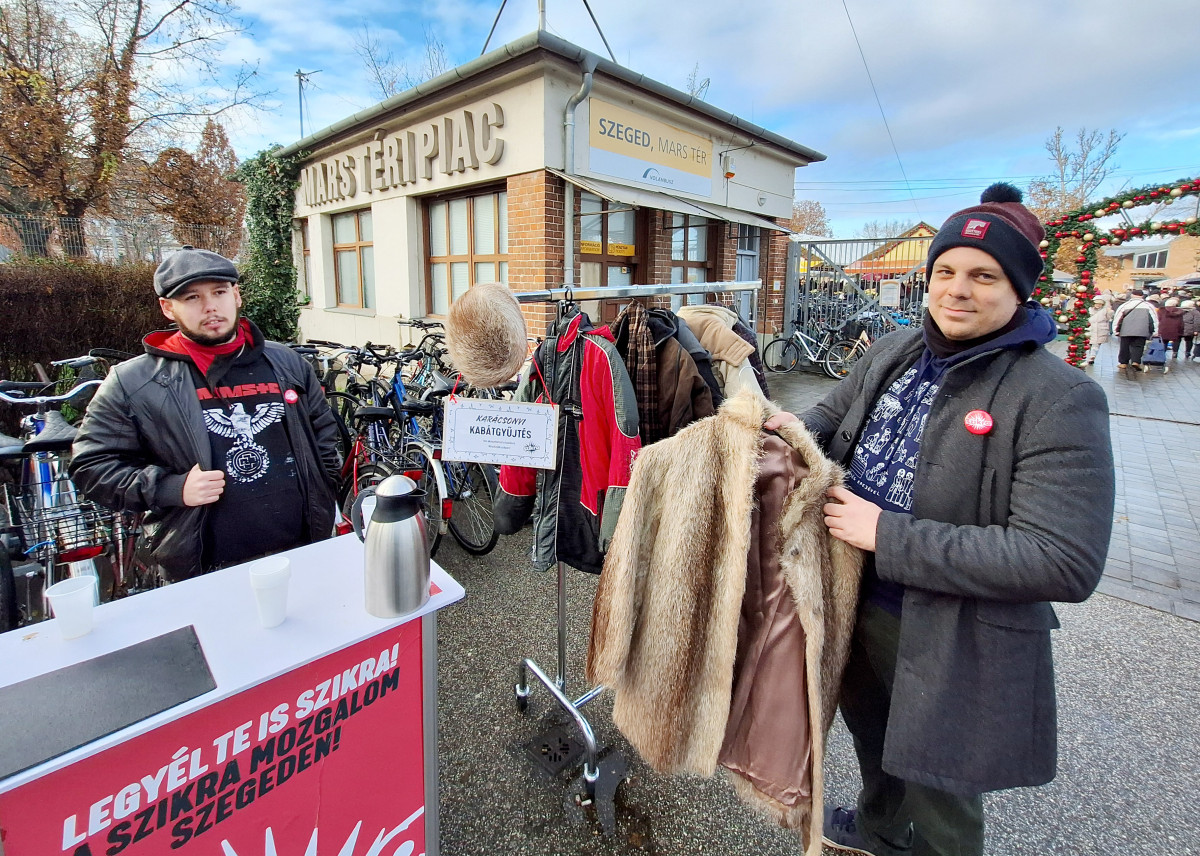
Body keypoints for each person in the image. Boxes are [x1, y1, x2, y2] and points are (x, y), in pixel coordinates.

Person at [765, 183, 1114, 856]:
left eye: (984, 276)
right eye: (945, 272)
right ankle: (879, 828)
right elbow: (827, 420)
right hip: (850, 594)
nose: (958, 289)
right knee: (873, 736)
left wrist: (886, 535)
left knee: (941, 786)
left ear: (1019, 291)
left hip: (949, 629)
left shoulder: (1060, 397)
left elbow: (1062, 558)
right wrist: (786, 432)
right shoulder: (892, 352)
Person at [70, 247, 341, 581]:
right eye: (192, 297)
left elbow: (325, 436)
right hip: (204, 566)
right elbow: (91, 468)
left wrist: (325, 486)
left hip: (301, 549)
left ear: (236, 295)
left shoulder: (287, 363)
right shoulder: (133, 382)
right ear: (168, 308)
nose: (211, 306)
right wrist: (171, 488)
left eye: (219, 292)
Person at [1112, 288, 1158, 376]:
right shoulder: (1148, 305)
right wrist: (1156, 331)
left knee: (1124, 346)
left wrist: (1115, 330)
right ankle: (1136, 361)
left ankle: (1123, 363)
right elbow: (1154, 319)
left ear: (1132, 295)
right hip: (1142, 329)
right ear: (1142, 296)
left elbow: (1117, 318)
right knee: (1139, 346)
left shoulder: (1125, 305)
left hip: (1126, 329)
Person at [1086, 296, 1113, 365]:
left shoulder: (1105, 310)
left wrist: (1110, 312)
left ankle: (1092, 356)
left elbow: (1109, 318)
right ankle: (1090, 355)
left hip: (1100, 329)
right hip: (1090, 329)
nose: (1098, 305)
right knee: (1089, 343)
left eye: (1100, 304)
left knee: (1096, 344)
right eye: (1096, 303)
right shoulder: (1089, 309)